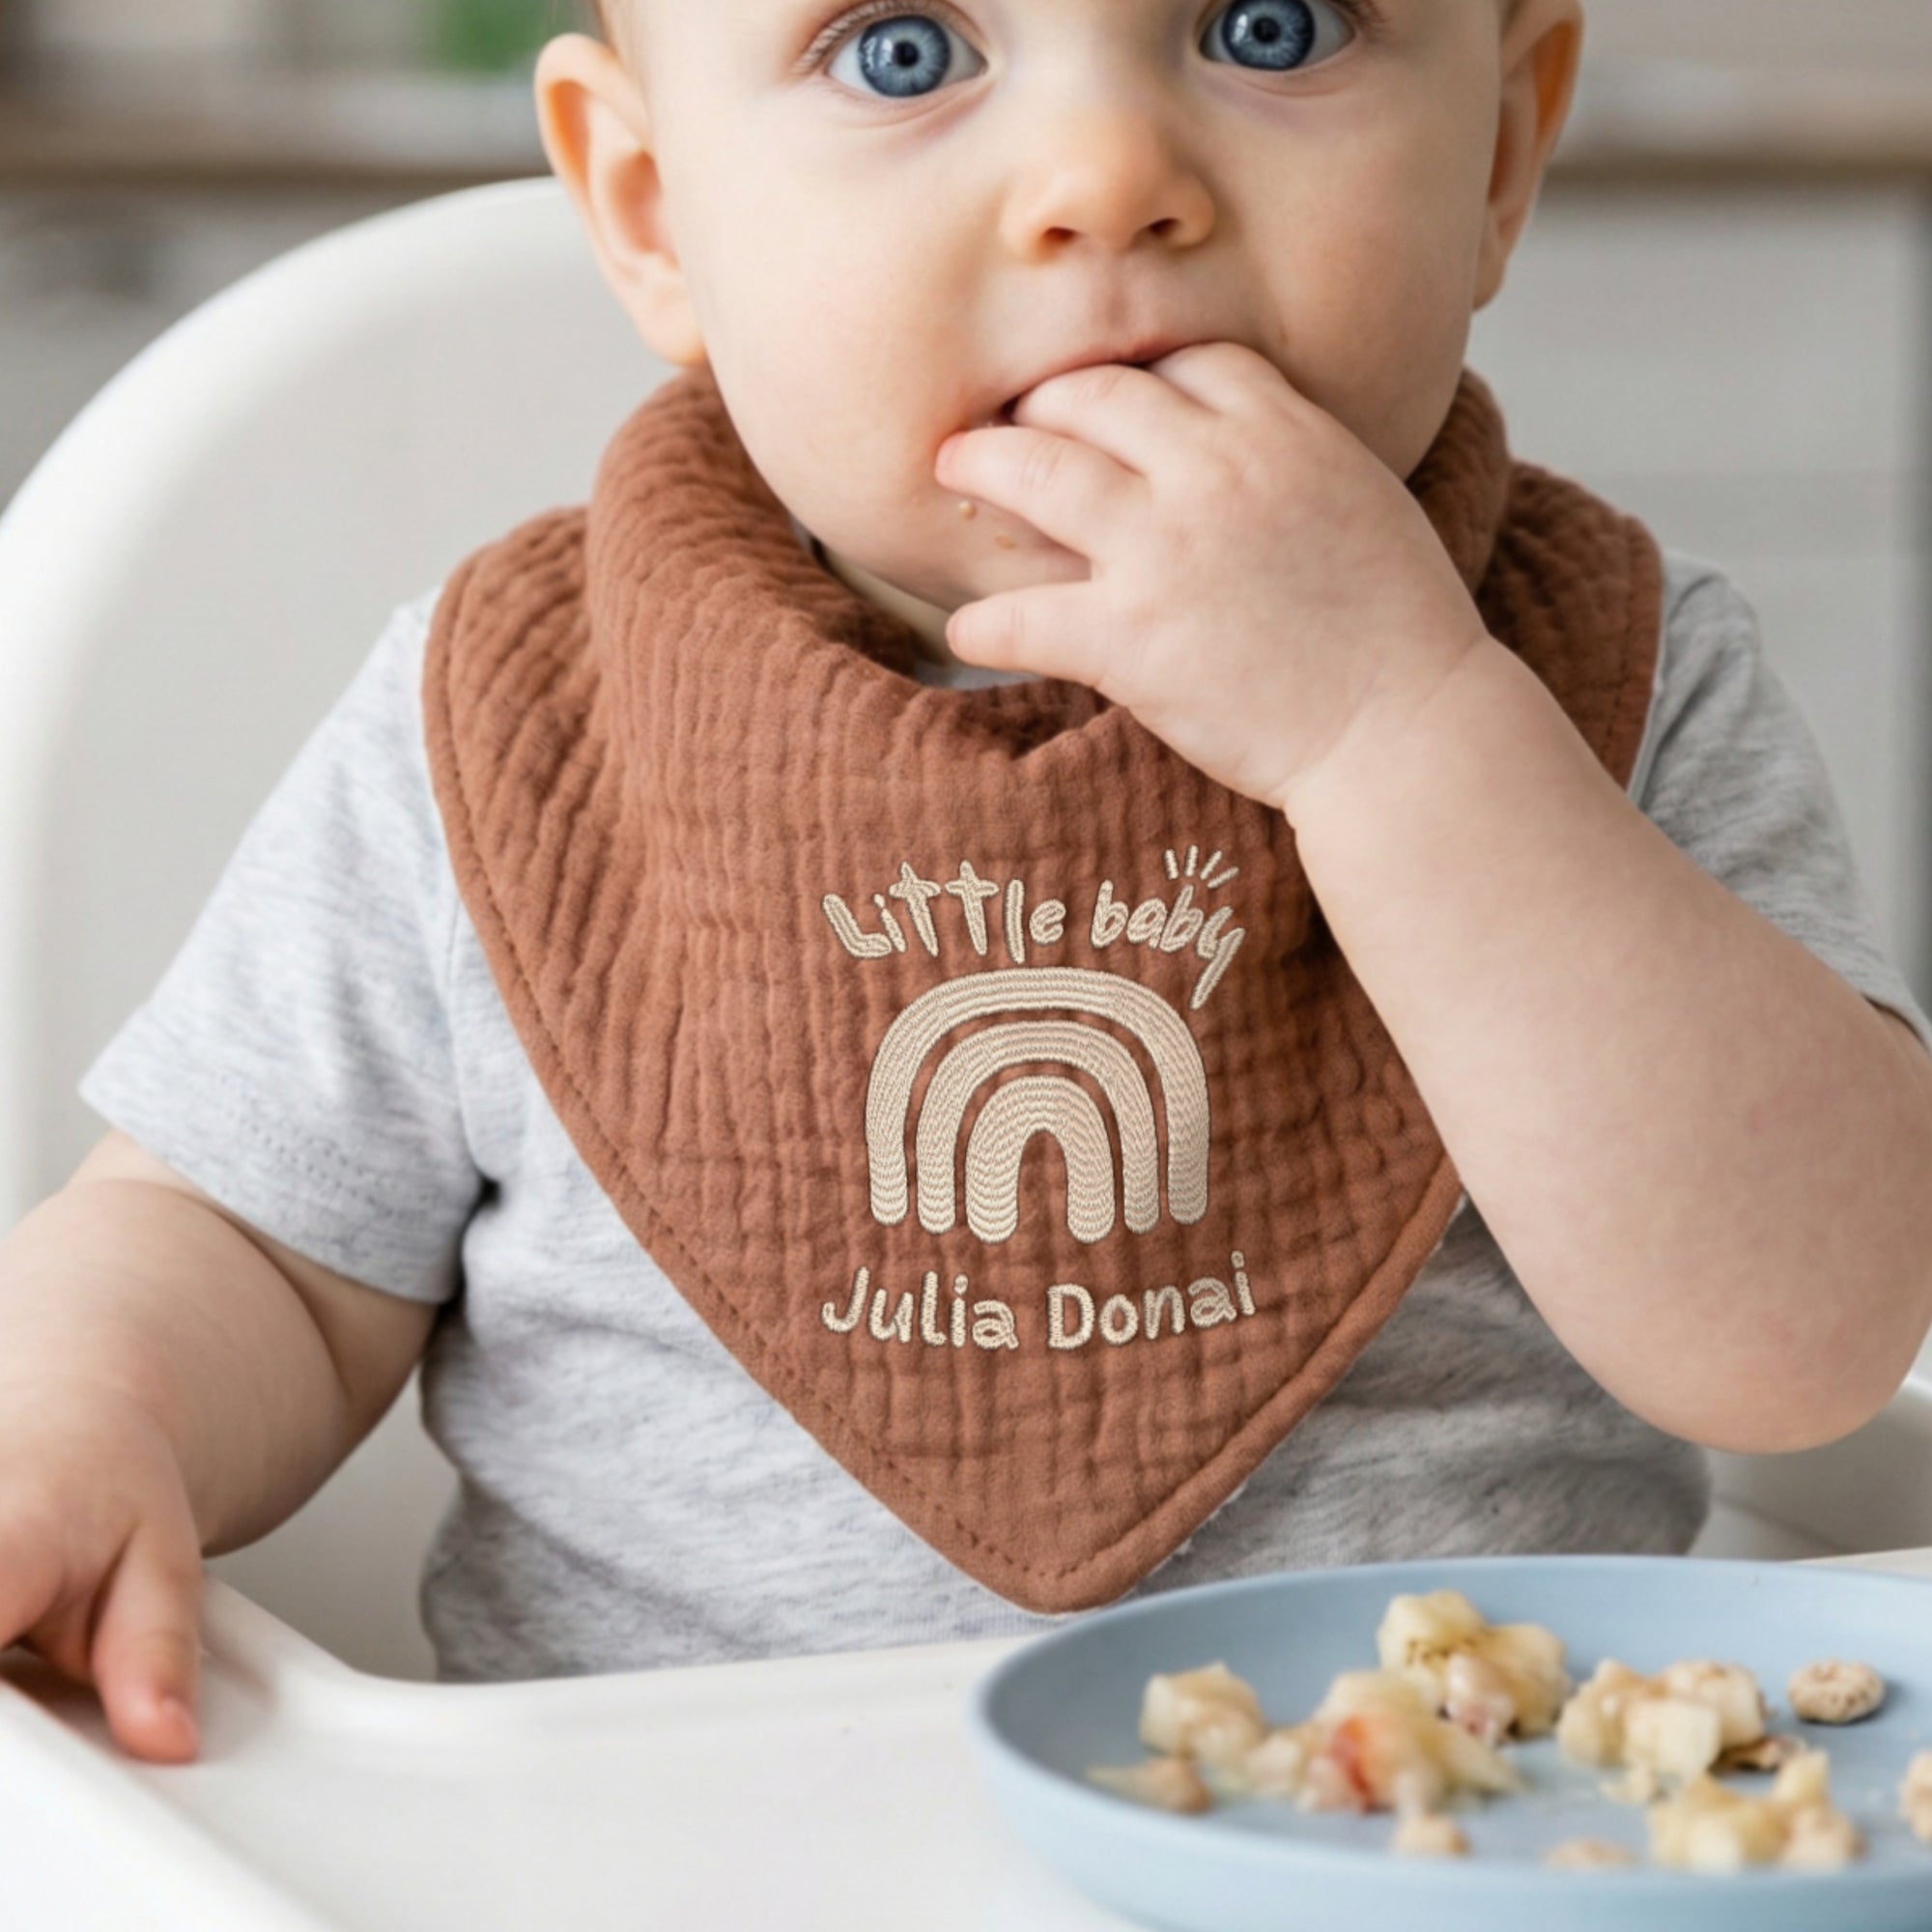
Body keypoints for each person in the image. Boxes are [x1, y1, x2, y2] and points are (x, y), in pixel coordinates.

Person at [5, 0, 1931, 1771]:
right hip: (683, 1861)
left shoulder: (1602, 677)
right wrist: (98, 1399)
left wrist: (1396, 731)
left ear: (1502, 148)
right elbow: (251, 1240)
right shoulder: (509, 724)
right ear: (654, 208)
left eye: (1272, 23)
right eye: (905, 50)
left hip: (1447, 1850)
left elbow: (1800, 1334)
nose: (1109, 181)